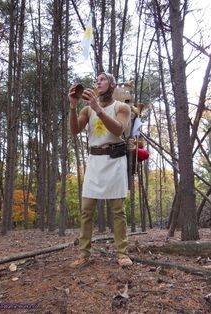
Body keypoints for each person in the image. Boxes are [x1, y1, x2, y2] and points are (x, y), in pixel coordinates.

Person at [68, 72, 133, 268]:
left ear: (112, 85)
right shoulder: (87, 110)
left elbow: (118, 130)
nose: (98, 82)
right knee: (87, 211)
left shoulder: (122, 107)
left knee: (118, 211)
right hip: (94, 162)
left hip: (115, 161)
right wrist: (73, 106)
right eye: (97, 80)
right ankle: (83, 253)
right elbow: (74, 129)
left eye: (103, 79)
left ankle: (122, 253)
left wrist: (98, 109)